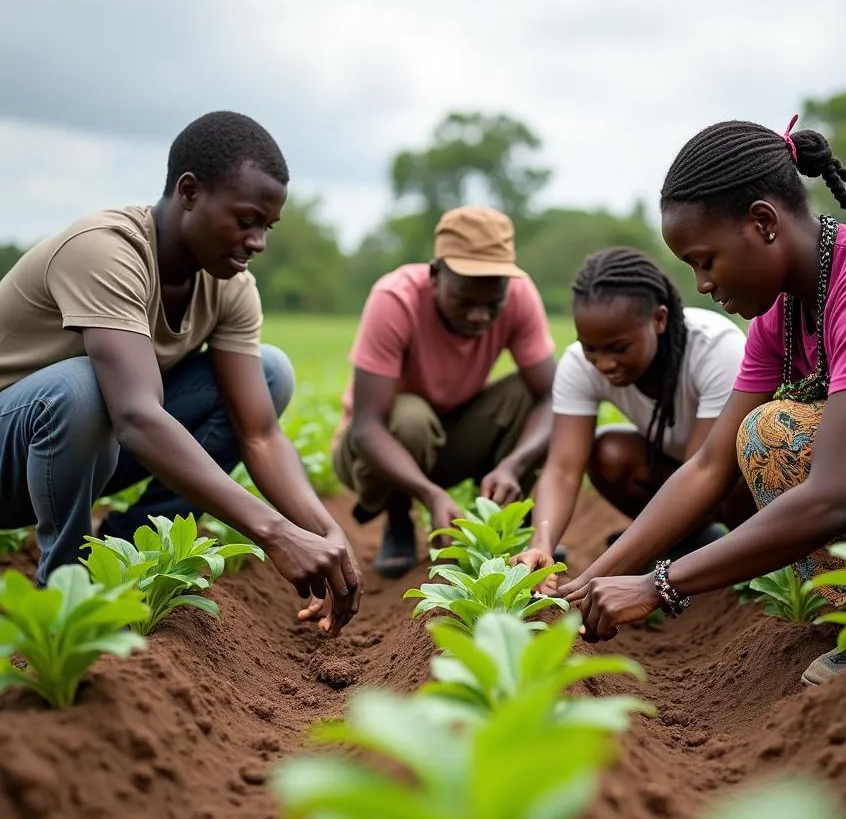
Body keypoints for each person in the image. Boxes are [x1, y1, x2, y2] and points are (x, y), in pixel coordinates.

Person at [563, 114, 846, 686]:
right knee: (760, 438)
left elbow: (834, 496)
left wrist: (660, 585)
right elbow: (708, 466)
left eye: (706, 261)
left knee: (775, 435)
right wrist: (587, 585)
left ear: (763, 223)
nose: (702, 285)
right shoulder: (782, 315)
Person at [0, 110, 361, 636]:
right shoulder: (106, 250)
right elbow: (137, 416)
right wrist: (275, 533)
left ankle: (126, 550)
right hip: (11, 453)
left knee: (269, 374)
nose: (258, 241)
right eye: (245, 220)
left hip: (79, 455)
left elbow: (258, 433)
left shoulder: (230, 285)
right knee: (80, 387)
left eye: (267, 226)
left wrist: (327, 533)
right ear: (189, 192)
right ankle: (65, 590)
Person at [332, 206, 556, 578]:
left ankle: (510, 525)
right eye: (465, 302)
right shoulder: (395, 298)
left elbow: (552, 396)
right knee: (410, 417)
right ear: (435, 275)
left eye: (492, 304)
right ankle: (399, 518)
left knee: (532, 393)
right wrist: (430, 494)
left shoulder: (519, 295)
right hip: (372, 451)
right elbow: (367, 427)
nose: (479, 317)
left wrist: (512, 465)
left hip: (452, 433)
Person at [512, 246, 750, 587]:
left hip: (725, 478)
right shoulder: (580, 363)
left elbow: (704, 472)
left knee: (739, 484)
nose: (604, 363)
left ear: (659, 319)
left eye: (619, 348)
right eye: (590, 347)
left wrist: (607, 569)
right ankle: (683, 544)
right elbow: (563, 469)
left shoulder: (714, 348)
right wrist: (542, 545)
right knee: (609, 453)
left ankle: (729, 557)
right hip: (678, 475)